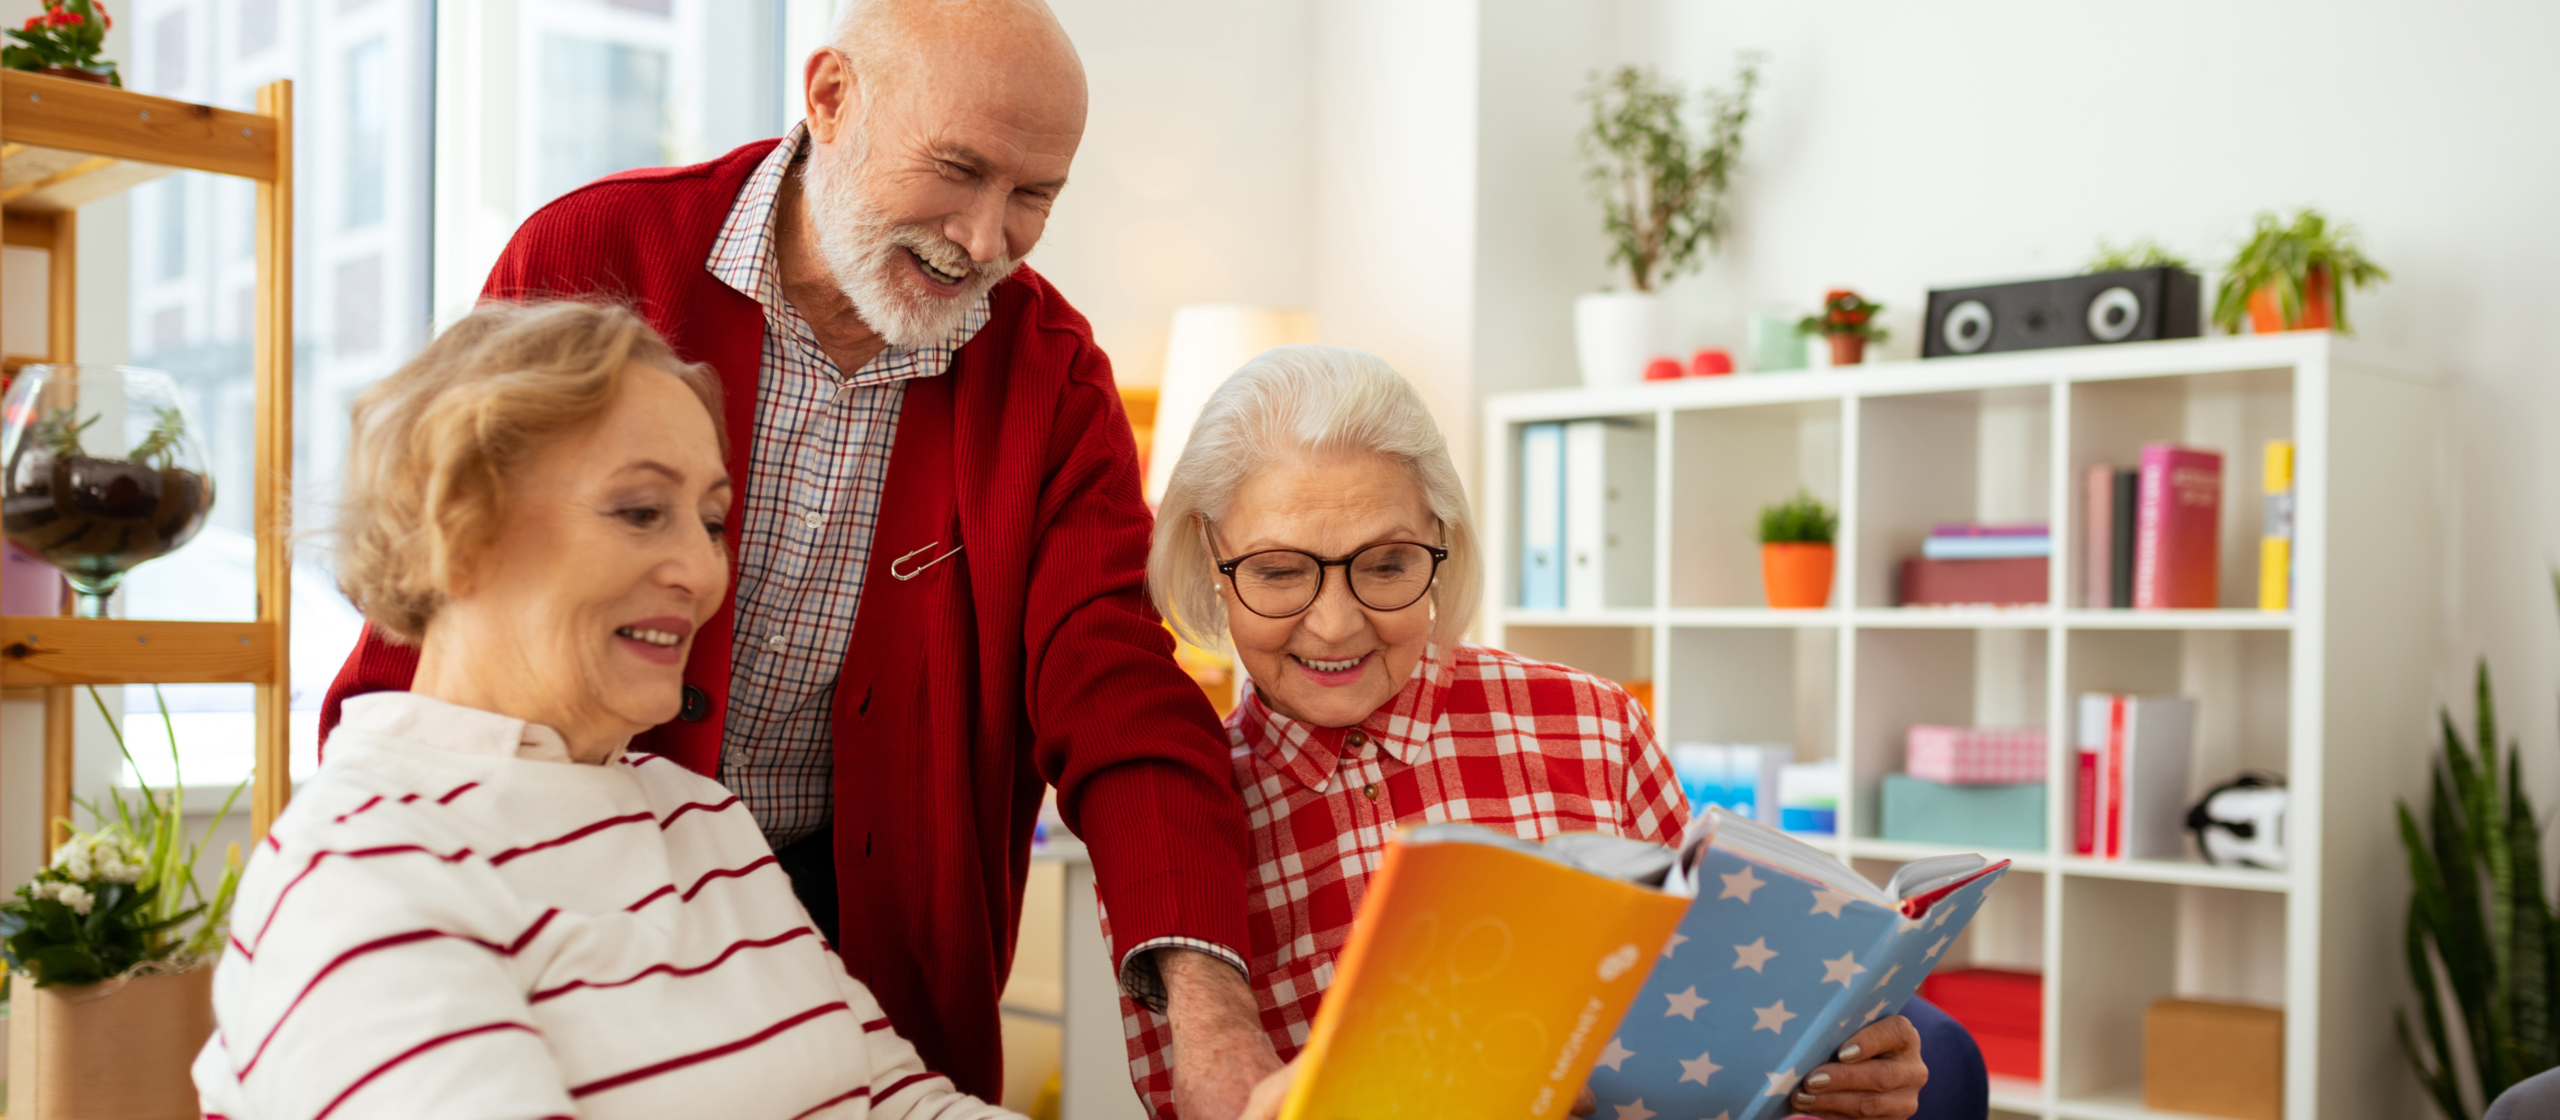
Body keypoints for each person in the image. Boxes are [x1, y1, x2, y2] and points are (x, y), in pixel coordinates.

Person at [314, 0, 1273, 1112]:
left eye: (1032, 197)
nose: (981, 238)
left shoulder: (1051, 377)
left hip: (863, 932)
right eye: (956, 170)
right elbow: (455, 577)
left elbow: (1115, 685)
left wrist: (1211, 1015)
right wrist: (372, 851)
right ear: (829, 99)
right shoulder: (595, 255)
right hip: (562, 877)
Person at [198, 301, 1034, 1118]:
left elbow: (889, 1096)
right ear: (458, 531)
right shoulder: (361, 870)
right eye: (641, 512)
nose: (703, 574)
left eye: (711, 522)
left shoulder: (699, 819)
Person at [1117, 345, 1933, 1120]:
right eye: (1278, 572)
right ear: (1208, 558)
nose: (1334, 625)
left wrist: (1838, 1075)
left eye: (1389, 565)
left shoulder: (1595, 727)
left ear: (1444, 544)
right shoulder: (1176, 815)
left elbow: (1731, 1024)